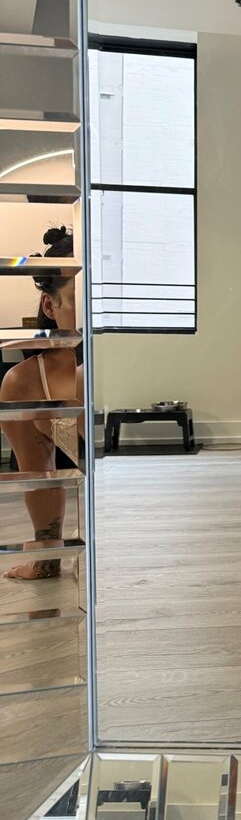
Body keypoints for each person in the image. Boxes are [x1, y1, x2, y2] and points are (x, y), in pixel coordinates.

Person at [1, 226, 82, 580]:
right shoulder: (23, 383)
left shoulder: (111, 364)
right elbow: (39, 475)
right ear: (51, 306)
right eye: (80, 298)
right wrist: (46, 561)